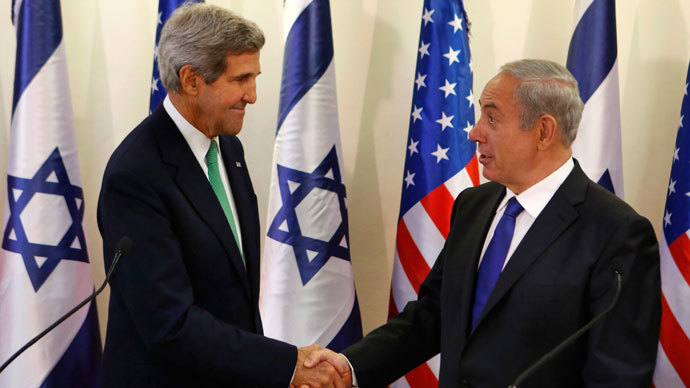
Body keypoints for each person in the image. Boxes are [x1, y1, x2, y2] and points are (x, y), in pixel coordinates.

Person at [304, 59, 661, 388]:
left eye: (492, 119)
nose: (475, 132)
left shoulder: (616, 233)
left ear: (543, 131)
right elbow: (433, 314)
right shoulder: (474, 206)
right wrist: (349, 367)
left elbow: (618, 375)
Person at [97, 4, 343, 388]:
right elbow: (169, 323)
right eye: (241, 79)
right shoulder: (135, 174)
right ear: (191, 79)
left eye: (255, 78)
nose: (253, 95)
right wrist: (286, 364)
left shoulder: (227, 148)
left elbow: (234, 293)